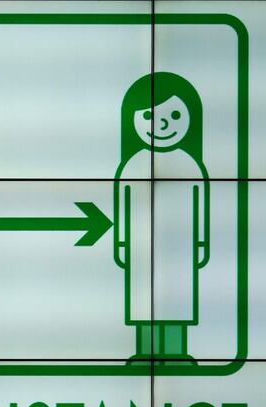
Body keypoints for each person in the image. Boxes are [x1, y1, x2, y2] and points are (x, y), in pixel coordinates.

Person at [113, 72, 210, 362]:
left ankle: (176, 354)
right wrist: (121, 243)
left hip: (182, 248)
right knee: (145, 308)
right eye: (150, 117)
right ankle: (146, 356)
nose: (162, 124)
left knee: (175, 307)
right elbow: (123, 206)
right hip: (141, 246)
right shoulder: (134, 166)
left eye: (174, 114)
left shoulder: (190, 165)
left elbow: (200, 207)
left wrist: (201, 243)